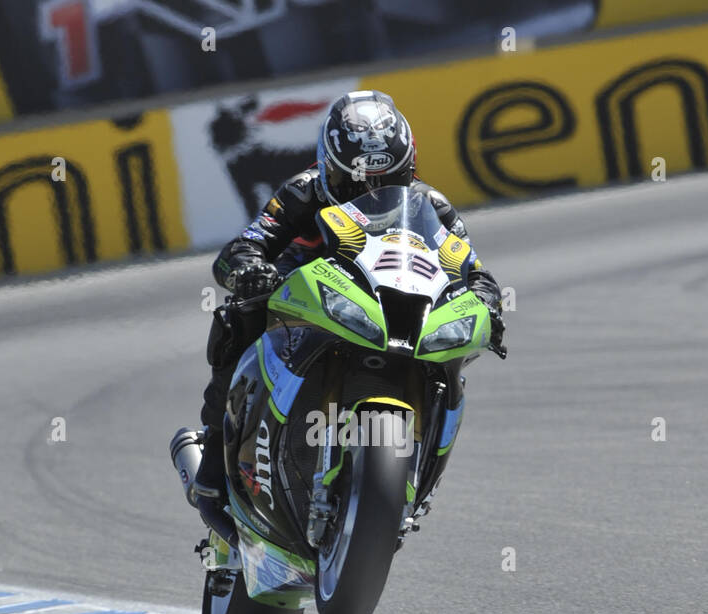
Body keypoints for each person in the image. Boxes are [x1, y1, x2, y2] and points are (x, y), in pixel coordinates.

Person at [192, 89, 506, 507]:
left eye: (385, 181)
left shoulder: (432, 204)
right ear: (328, 167)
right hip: (305, 300)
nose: (370, 192)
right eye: (354, 182)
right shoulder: (303, 191)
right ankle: (216, 450)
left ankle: (418, 468)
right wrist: (250, 269)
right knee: (238, 317)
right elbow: (245, 245)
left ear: (407, 167)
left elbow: (473, 270)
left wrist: (488, 302)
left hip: (386, 304)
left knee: (453, 361)